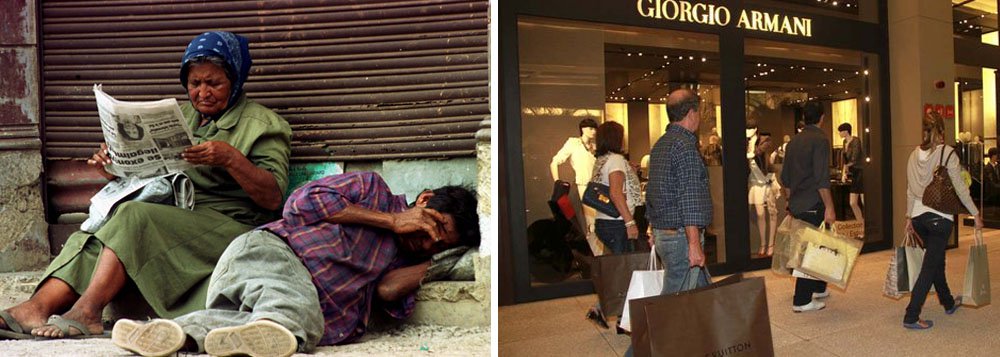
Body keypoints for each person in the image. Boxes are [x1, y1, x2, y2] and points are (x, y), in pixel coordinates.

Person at [0, 31, 292, 339]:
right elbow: (151, 173)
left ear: (235, 81)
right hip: (177, 214)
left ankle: (88, 312)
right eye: (195, 84)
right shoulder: (183, 115)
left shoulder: (263, 125)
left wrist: (231, 159)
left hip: (230, 224)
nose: (203, 92)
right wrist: (112, 166)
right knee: (95, 233)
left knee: (134, 216)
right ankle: (35, 308)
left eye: (214, 83)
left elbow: (272, 198)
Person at [109, 172, 481, 356]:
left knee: (281, 326)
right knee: (291, 306)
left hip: (279, 298)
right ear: (424, 199)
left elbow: (388, 290)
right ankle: (271, 325)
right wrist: (391, 220)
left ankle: (174, 334)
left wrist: (444, 258)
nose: (427, 240)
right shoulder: (372, 190)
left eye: (438, 244)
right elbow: (299, 204)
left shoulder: (406, 258)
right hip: (270, 253)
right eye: (435, 225)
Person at [902, 112, 983, 330]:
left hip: (919, 217)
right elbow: (960, 188)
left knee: (937, 261)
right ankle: (911, 315)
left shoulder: (912, 155)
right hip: (940, 218)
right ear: (941, 131)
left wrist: (909, 217)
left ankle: (947, 302)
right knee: (930, 266)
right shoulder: (947, 153)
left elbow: (910, 190)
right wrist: (975, 214)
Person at [647, 88, 712, 293]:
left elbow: (655, 191)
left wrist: (652, 228)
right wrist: (694, 244)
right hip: (681, 238)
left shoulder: (660, 145)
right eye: (699, 112)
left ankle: (710, 324)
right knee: (673, 303)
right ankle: (656, 326)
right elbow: (689, 199)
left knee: (702, 294)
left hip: (665, 234)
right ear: (692, 113)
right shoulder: (685, 147)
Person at [584, 121, 642, 329]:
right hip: (617, 224)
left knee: (619, 270)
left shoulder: (602, 160)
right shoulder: (616, 159)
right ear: (616, 138)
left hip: (603, 221)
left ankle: (613, 314)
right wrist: (630, 221)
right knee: (624, 272)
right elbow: (617, 194)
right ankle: (615, 316)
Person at [780, 101, 834, 312]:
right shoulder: (820, 140)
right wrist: (830, 206)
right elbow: (822, 178)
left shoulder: (794, 141)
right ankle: (801, 300)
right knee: (810, 249)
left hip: (797, 203)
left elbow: (785, 178)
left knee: (816, 244)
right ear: (822, 117)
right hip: (813, 201)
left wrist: (789, 202)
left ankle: (819, 287)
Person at [551, 118, 603, 255]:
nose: (594, 131)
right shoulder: (573, 143)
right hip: (583, 185)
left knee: (598, 220)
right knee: (590, 221)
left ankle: (598, 254)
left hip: (598, 187)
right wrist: (557, 181)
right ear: (583, 129)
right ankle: (594, 255)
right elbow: (555, 162)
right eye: (591, 128)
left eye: (595, 129)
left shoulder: (595, 147)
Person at [839, 123, 864, 222]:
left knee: (863, 201)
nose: (840, 133)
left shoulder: (856, 141)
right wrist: (844, 172)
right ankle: (861, 223)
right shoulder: (844, 142)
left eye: (841, 131)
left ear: (846, 131)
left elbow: (855, 158)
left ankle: (867, 226)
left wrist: (846, 167)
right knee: (852, 202)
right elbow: (845, 159)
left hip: (860, 172)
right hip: (854, 173)